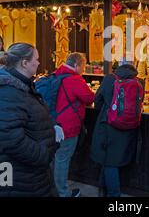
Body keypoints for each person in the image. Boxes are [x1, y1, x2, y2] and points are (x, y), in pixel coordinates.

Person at [0, 43, 56, 197]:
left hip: (31, 176)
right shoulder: (8, 91)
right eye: (36, 59)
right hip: (21, 177)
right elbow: (9, 136)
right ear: (24, 63)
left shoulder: (23, 86)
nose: (38, 63)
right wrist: (42, 154)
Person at [90, 60, 142, 197]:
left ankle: (113, 194)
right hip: (128, 129)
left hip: (109, 127)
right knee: (115, 161)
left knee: (109, 162)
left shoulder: (109, 79)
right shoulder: (138, 81)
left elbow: (98, 101)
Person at [53, 53, 95, 197]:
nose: (83, 70)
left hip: (54, 123)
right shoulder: (75, 79)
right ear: (76, 65)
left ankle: (52, 188)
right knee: (62, 159)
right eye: (83, 66)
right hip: (68, 127)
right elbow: (90, 98)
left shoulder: (56, 74)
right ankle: (62, 193)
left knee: (55, 157)